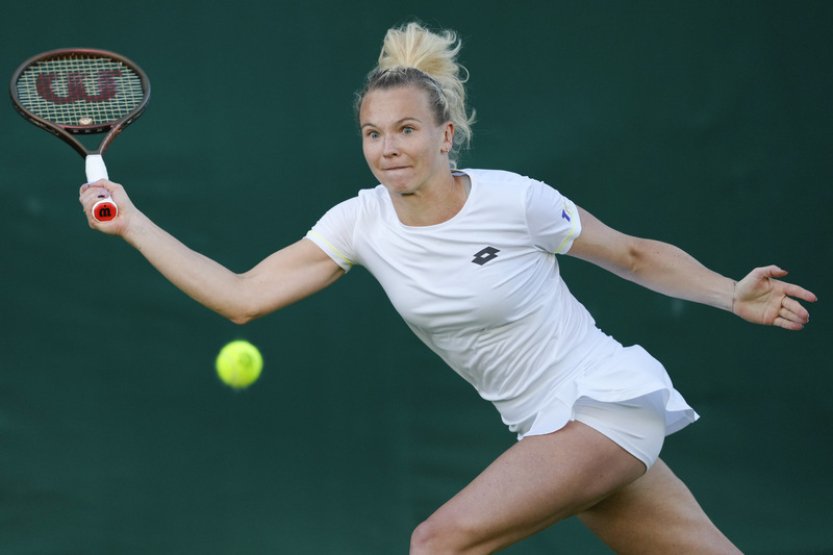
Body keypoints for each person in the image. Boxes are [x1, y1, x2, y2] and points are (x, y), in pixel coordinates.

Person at [80, 22, 816, 555]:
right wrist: (133, 222)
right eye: (373, 133)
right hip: (544, 425)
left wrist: (728, 292)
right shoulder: (359, 222)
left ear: (446, 133)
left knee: (437, 543)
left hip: (601, 402)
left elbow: (631, 254)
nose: (387, 148)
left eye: (405, 129)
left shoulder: (516, 199)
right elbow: (241, 294)